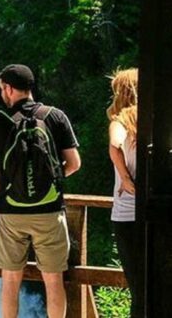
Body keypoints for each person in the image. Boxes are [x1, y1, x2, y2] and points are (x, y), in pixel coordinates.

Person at [0, 64, 81, 318]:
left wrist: (4, 189)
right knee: (54, 281)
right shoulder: (55, 116)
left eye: (2, 87)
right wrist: (51, 181)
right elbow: (75, 163)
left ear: (10, 89)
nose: (1, 92)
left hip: (11, 212)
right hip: (49, 210)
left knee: (11, 280)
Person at [106, 68, 138, 317]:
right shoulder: (153, 119)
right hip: (153, 211)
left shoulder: (121, 121)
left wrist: (125, 178)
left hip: (127, 214)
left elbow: (115, 145)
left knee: (138, 286)